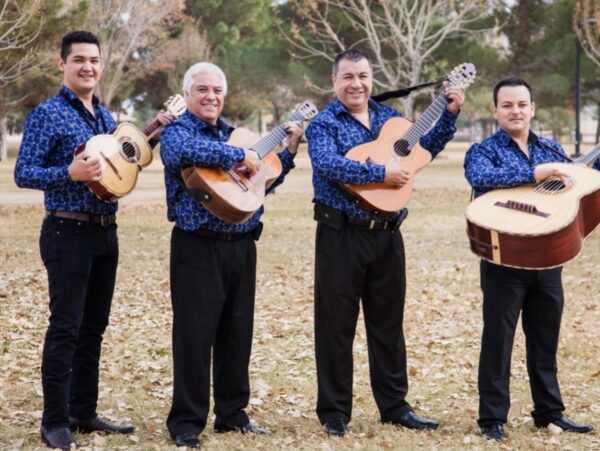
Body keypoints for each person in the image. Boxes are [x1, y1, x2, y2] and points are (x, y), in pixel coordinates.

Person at [14, 31, 174, 450]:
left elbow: (122, 160)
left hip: (106, 232)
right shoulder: (47, 114)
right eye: (79, 59)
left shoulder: (106, 119)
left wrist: (151, 133)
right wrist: (68, 173)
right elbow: (23, 172)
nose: (88, 67)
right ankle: (54, 422)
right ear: (62, 64)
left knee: (94, 329)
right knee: (65, 327)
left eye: (94, 60)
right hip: (67, 232)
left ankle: (83, 412)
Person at [305, 48, 465, 437]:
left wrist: (450, 115)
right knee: (336, 327)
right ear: (334, 81)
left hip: (388, 235)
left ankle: (394, 406)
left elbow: (423, 149)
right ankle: (334, 412)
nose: (356, 83)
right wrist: (380, 172)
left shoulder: (390, 119)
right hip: (341, 234)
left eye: (362, 76)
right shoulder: (324, 124)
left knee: (388, 326)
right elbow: (328, 164)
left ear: (371, 79)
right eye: (348, 77)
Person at [159, 62, 304, 449]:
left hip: (242, 244)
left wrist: (286, 152)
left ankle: (232, 414)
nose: (211, 96)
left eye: (217, 90)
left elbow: (260, 181)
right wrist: (240, 152)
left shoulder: (234, 133)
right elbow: (182, 153)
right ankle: (186, 422)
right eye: (202, 89)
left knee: (237, 333)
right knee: (194, 336)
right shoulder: (177, 130)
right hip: (197, 246)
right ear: (188, 94)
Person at [464, 76, 598, 441]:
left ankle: (549, 413)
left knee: (545, 340)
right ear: (495, 111)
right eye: (507, 105)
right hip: (504, 259)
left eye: (522, 104)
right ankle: (492, 419)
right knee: (498, 340)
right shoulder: (482, 150)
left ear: (532, 108)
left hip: (547, 256)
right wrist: (532, 173)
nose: (515, 111)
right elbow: (480, 177)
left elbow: (581, 183)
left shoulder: (552, 150)